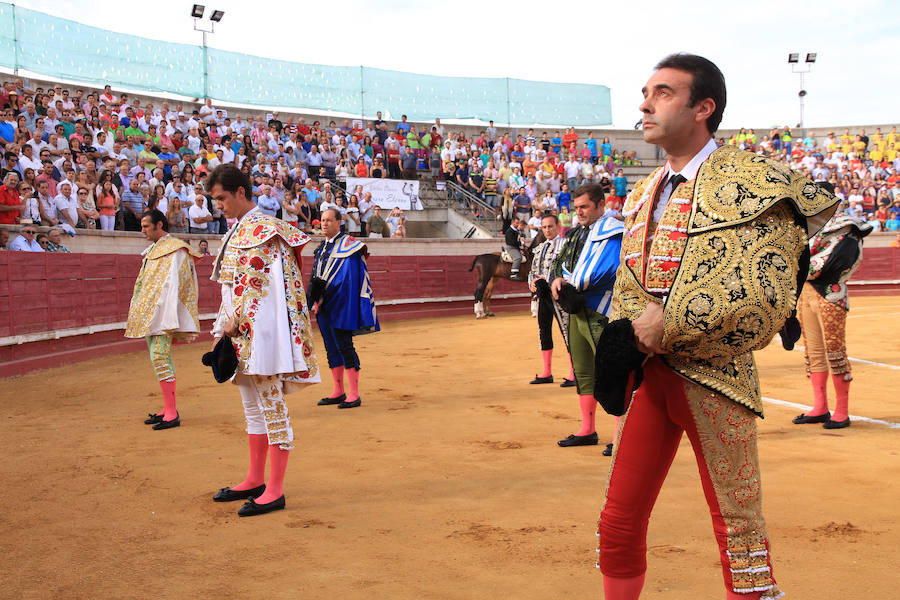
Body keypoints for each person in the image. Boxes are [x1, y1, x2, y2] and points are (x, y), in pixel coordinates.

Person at [595, 53, 837, 600]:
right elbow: (632, 286)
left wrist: (669, 323)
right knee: (617, 523)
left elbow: (763, 286)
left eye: (662, 93)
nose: (643, 103)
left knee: (740, 535)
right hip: (652, 379)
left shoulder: (756, 180)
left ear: (703, 108)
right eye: (645, 91)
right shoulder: (642, 193)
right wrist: (626, 339)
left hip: (717, 379)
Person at [208, 164, 320, 517]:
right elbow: (231, 288)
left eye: (222, 198)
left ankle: (275, 489)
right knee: (252, 408)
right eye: (215, 201)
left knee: (273, 409)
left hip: (262, 336)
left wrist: (237, 325)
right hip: (239, 333)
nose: (219, 206)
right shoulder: (237, 232)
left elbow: (267, 293)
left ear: (241, 192)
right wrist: (222, 326)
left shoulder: (267, 230)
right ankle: (256, 478)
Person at [548, 183, 623, 450]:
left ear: (600, 205)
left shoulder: (614, 231)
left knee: (612, 372)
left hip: (604, 312)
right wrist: (557, 277)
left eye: (584, 207)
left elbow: (606, 271)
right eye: (576, 207)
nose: (579, 212)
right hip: (578, 310)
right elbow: (559, 261)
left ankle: (620, 435)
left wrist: (570, 283)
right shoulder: (576, 234)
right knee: (583, 370)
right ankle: (588, 429)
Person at [792, 214, 872, 429]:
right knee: (814, 352)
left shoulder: (847, 228)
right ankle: (820, 407)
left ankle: (842, 412)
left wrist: (797, 269)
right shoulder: (807, 225)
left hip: (831, 295)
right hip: (807, 295)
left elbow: (828, 263)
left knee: (835, 352)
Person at [124, 209, 201, 430]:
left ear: (160, 225)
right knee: (157, 359)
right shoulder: (154, 250)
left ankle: (171, 412)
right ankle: (168, 409)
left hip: (163, 313)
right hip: (151, 313)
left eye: (146, 226)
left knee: (160, 358)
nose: (143, 230)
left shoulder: (176, 250)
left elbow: (178, 286)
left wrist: (170, 316)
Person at [308, 207, 379, 409]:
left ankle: (354, 394)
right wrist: (313, 297)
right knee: (331, 348)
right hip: (323, 304)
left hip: (342, 304)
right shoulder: (321, 248)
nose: (324, 224)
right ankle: (338, 391)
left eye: (329, 220)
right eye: (322, 220)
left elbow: (352, 278)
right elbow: (316, 274)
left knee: (345, 346)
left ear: (339, 222)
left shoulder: (351, 246)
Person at [528, 213, 576, 387]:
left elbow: (571, 269)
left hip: (559, 296)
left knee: (567, 333)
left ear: (557, 227)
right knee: (544, 332)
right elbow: (532, 272)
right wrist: (532, 284)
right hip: (543, 297)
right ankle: (547, 373)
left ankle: (574, 373)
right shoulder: (540, 248)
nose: (547, 230)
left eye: (550, 226)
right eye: (544, 227)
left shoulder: (566, 246)